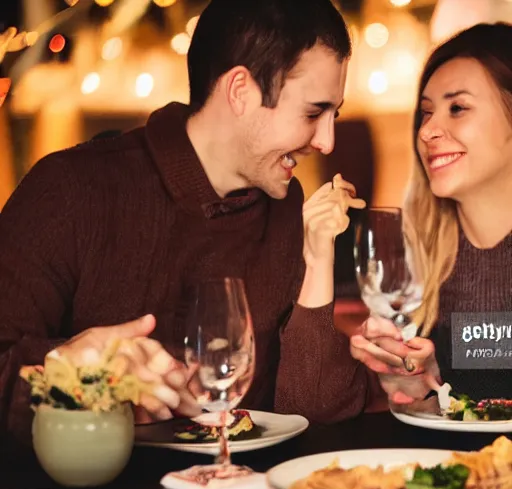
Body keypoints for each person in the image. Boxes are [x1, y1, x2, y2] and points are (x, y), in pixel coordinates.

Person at [0, 0, 380, 445]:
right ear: (240, 90)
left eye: (334, 114)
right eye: (314, 114)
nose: (328, 140)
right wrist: (70, 370)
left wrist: (319, 263)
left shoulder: (284, 208)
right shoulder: (70, 189)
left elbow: (309, 409)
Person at [350, 23, 512, 407]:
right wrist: (423, 384)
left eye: (457, 108)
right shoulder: (413, 258)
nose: (427, 131)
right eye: (426, 113)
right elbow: (434, 402)